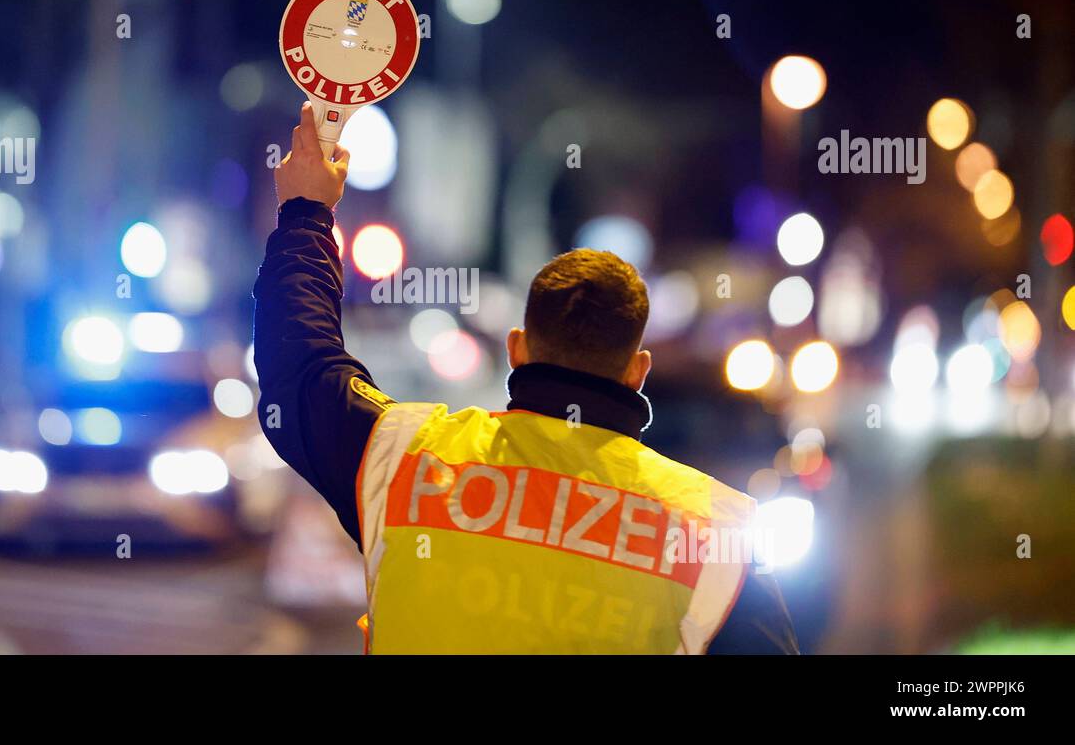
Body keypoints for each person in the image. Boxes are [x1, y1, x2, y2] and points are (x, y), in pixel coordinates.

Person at [253, 102, 799, 654]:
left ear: (517, 348)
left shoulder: (406, 460)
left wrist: (306, 211)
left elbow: (299, 366)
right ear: (638, 372)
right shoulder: (716, 539)